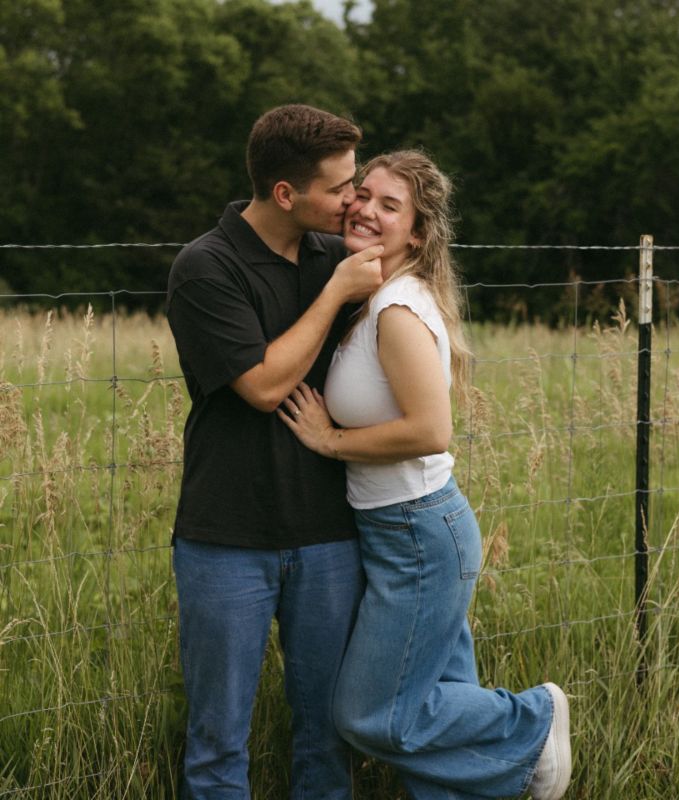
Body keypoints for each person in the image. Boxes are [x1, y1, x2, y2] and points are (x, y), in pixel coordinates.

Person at [279, 151, 572, 800]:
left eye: (390, 206)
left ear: (416, 234)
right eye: (364, 195)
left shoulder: (397, 310)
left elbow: (431, 430)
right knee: (436, 699)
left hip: (417, 534)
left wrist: (330, 441)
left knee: (371, 714)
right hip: (401, 530)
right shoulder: (374, 297)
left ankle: (532, 723)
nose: (366, 210)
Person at [165, 104, 384, 800]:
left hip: (330, 534)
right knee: (217, 745)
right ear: (286, 193)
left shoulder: (334, 253)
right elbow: (261, 386)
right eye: (339, 187)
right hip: (225, 538)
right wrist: (336, 293)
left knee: (327, 738)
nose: (353, 200)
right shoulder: (206, 266)